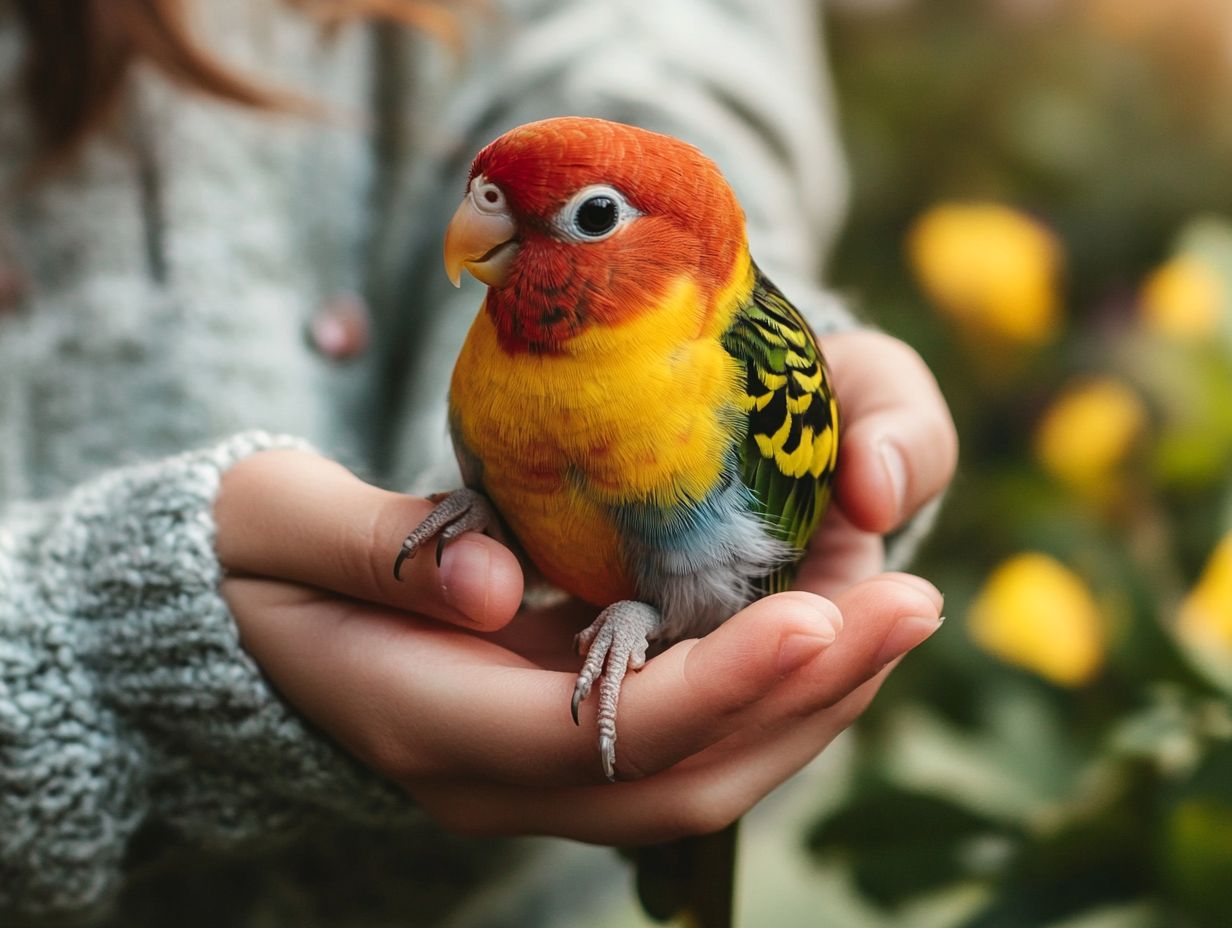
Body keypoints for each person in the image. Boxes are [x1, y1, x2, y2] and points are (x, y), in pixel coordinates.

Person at [0, 0, 957, 924]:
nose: (483, 229)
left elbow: (650, 34)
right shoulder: (496, 348)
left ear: (689, 265)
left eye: (586, 220)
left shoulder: (749, 369)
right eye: (488, 202)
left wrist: (655, 617)